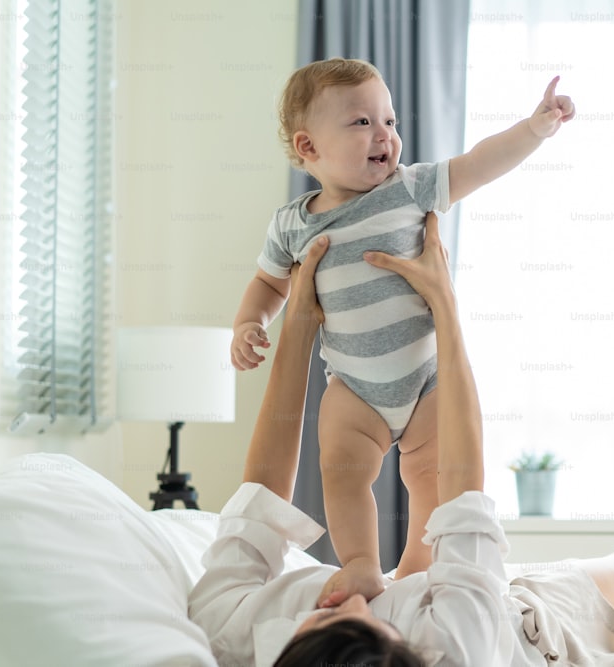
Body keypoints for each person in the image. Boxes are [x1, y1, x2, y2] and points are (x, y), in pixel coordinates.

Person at [189, 212, 614, 667]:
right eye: (370, 618)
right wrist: (443, 306)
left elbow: (261, 493)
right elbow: (463, 487)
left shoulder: (230, 630)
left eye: (331, 614)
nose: (363, 595)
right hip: (526, 633)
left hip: (442, 595)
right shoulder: (460, 647)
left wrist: (300, 323)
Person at [228, 57, 576, 606]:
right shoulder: (292, 224)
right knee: (341, 474)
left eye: (388, 120)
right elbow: (269, 283)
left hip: (426, 377)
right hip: (353, 388)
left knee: (432, 477)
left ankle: (417, 561)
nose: (384, 135)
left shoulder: (411, 188)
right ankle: (362, 565)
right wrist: (250, 322)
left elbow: (480, 162)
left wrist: (534, 129)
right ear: (309, 147)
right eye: (361, 122)